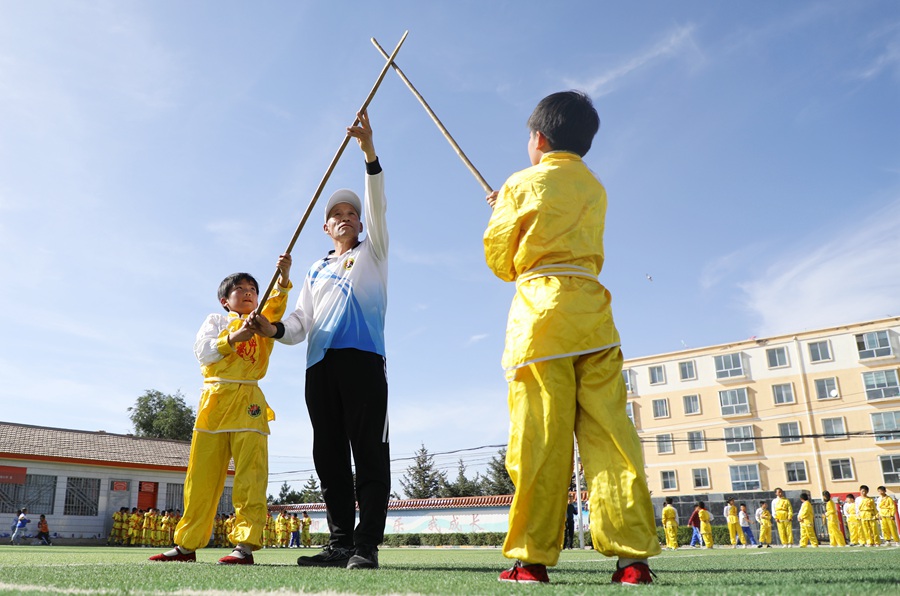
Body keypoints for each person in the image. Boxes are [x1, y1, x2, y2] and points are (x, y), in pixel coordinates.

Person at [483, 91, 660, 586]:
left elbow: (501, 260)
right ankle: (632, 562)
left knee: (539, 438)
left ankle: (530, 559)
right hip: (595, 317)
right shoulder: (595, 187)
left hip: (541, 318)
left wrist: (502, 209)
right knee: (611, 438)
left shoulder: (520, 183)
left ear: (538, 138)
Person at [253, 109, 390, 571]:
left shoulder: (374, 252)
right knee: (328, 455)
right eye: (337, 214)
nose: (347, 218)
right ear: (326, 227)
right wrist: (270, 329)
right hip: (319, 366)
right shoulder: (315, 268)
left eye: (352, 213)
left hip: (364, 362)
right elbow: (299, 322)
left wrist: (368, 152)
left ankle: (366, 546)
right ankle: (339, 544)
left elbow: (377, 206)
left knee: (367, 452)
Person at [150, 255, 292, 565]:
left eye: (253, 288)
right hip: (213, 401)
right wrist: (233, 339)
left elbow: (277, 305)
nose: (248, 292)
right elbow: (203, 352)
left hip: (248, 403)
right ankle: (186, 546)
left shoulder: (261, 321)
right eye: (239, 288)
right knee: (200, 478)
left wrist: (282, 278)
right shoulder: (215, 321)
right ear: (224, 300)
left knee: (250, 477)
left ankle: (244, 546)